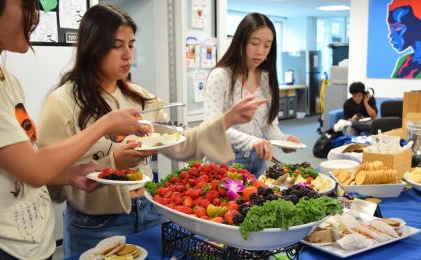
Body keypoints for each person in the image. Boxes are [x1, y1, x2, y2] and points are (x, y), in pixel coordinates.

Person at [36, 4, 266, 257]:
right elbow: (48, 174)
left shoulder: (141, 99)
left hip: (150, 210)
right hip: (96, 224)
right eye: (117, 45)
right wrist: (113, 161)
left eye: (131, 44)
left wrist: (227, 119)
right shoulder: (62, 103)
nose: (128, 55)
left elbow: (181, 143)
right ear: (92, 47)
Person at [0, 0, 152, 259]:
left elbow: (25, 168)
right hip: (7, 244)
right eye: (26, 5)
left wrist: (69, 175)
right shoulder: (59, 100)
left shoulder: (6, 78)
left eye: (131, 45)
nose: (36, 16)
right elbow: (35, 168)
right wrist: (106, 127)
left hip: (37, 238)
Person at [203, 12, 301, 177]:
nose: (260, 52)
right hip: (224, 162)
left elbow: (268, 126)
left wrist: (283, 140)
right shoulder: (220, 76)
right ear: (240, 42)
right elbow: (213, 126)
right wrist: (252, 141)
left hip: (258, 162)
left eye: (267, 45)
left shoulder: (266, 77)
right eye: (255, 43)